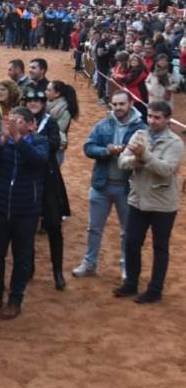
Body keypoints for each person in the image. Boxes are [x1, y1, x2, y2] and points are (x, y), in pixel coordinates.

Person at [0, 107, 49, 320]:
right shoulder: (2, 141)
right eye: (11, 121)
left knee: (21, 257)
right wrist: (1, 140)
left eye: (19, 122)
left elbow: (38, 161)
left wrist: (17, 139)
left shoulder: (40, 142)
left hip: (26, 210)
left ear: (30, 125)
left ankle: (15, 299)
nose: (13, 125)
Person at [115, 101, 183, 304]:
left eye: (157, 117)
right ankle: (131, 284)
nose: (152, 121)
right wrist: (137, 160)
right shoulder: (139, 135)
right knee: (132, 243)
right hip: (138, 199)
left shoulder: (176, 143)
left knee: (160, 247)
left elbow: (166, 170)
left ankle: (155, 290)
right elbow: (122, 162)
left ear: (168, 119)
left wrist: (143, 156)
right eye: (150, 116)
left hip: (163, 204)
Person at [72, 91, 145, 280]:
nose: (118, 108)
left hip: (127, 188)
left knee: (127, 232)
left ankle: (126, 267)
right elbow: (88, 147)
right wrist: (107, 151)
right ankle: (89, 264)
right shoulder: (102, 125)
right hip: (101, 186)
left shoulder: (142, 129)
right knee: (94, 228)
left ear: (130, 104)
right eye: (115, 104)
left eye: (122, 104)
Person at [23, 89, 70, 290]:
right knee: (27, 229)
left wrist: (33, 138)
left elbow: (55, 143)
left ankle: (57, 271)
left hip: (48, 181)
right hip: (28, 181)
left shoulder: (49, 121)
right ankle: (29, 268)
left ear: (43, 103)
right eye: (30, 100)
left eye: (38, 100)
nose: (34, 103)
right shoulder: (21, 119)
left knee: (53, 227)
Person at [45, 80, 79, 165]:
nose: (45, 92)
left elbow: (57, 130)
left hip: (56, 150)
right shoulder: (48, 105)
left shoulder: (65, 111)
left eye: (49, 90)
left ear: (57, 94)